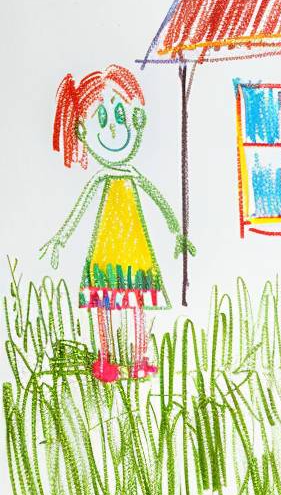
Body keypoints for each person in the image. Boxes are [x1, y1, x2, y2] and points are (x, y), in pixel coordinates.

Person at [39, 66, 195, 382]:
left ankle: (138, 359)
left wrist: (176, 232)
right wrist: (61, 237)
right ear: (82, 131)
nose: (114, 130)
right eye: (103, 120)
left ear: (137, 121)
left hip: (135, 250)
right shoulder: (101, 178)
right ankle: (105, 360)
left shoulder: (133, 176)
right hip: (106, 250)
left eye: (121, 117)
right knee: (105, 304)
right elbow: (81, 209)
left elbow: (158, 201)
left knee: (135, 301)